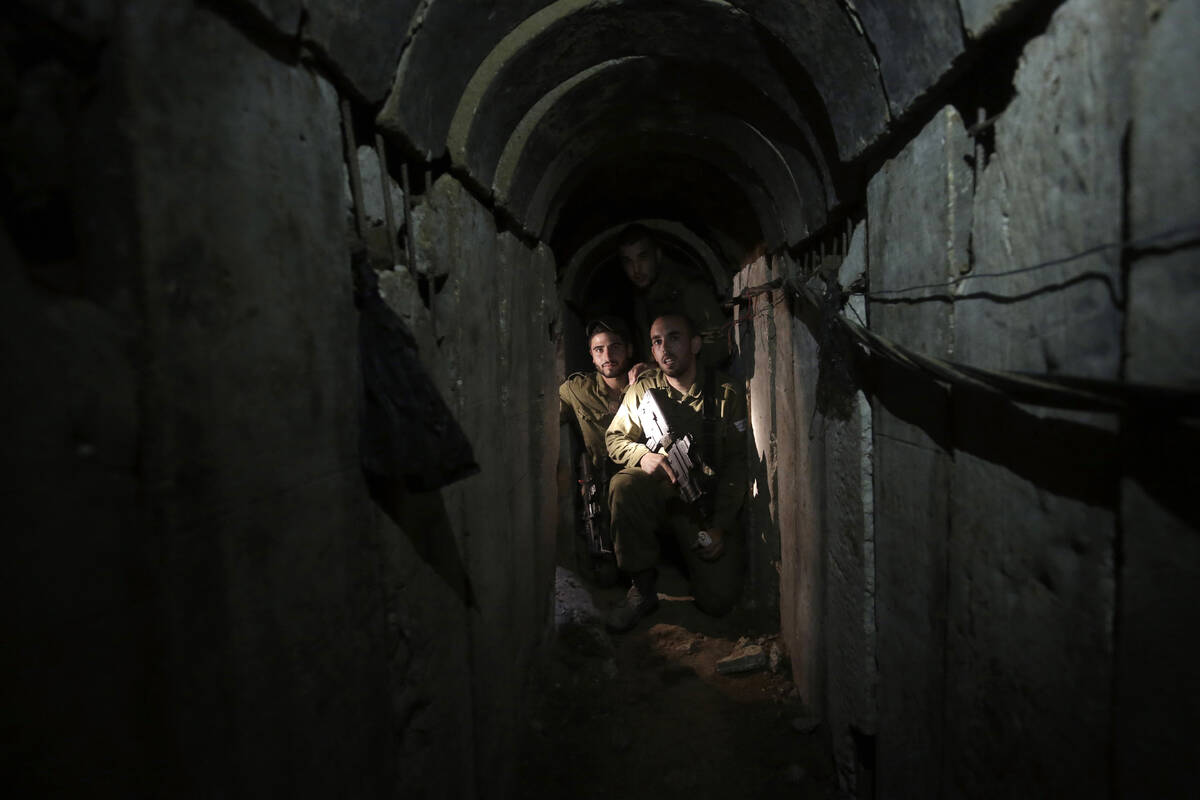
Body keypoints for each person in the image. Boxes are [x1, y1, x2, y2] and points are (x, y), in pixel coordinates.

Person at [603, 312, 748, 632]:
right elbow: (615, 439)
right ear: (651, 352)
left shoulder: (726, 393)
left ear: (695, 344)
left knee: (719, 601)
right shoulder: (642, 390)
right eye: (657, 342)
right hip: (658, 496)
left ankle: (688, 564)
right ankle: (641, 588)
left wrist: (721, 526)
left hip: (700, 505)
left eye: (674, 338)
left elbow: (738, 465)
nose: (665, 348)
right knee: (624, 485)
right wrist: (642, 456)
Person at [559, 317, 639, 583]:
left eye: (615, 347)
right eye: (599, 350)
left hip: (644, 481)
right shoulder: (577, 390)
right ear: (592, 357)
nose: (607, 356)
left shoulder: (645, 383)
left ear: (629, 350)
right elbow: (547, 411)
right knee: (606, 575)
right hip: (603, 485)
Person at [616, 224, 730, 368]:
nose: (636, 269)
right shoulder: (640, 298)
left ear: (657, 255)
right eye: (628, 262)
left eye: (643, 257)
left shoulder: (689, 288)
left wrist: (666, 366)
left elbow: (720, 346)